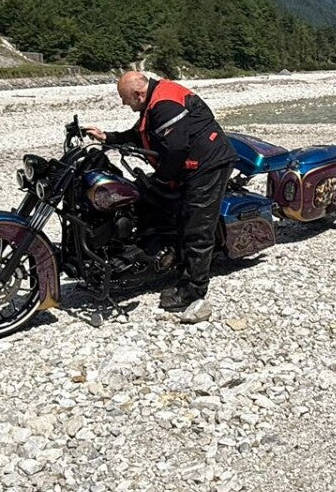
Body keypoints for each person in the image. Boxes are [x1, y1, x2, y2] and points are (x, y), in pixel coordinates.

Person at [84, 71, 236, 323]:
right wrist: (108, 138)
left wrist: (162, 180)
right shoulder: (154, 102)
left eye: (125, 98)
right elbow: (140, 134)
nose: (123, 103)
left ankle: (192, 291)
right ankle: (167, 258)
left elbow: (175, 149)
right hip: (191, 166)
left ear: (138, 94)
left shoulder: (164, 104)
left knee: (197, 227)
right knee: (158, 203)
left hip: (208, 165)